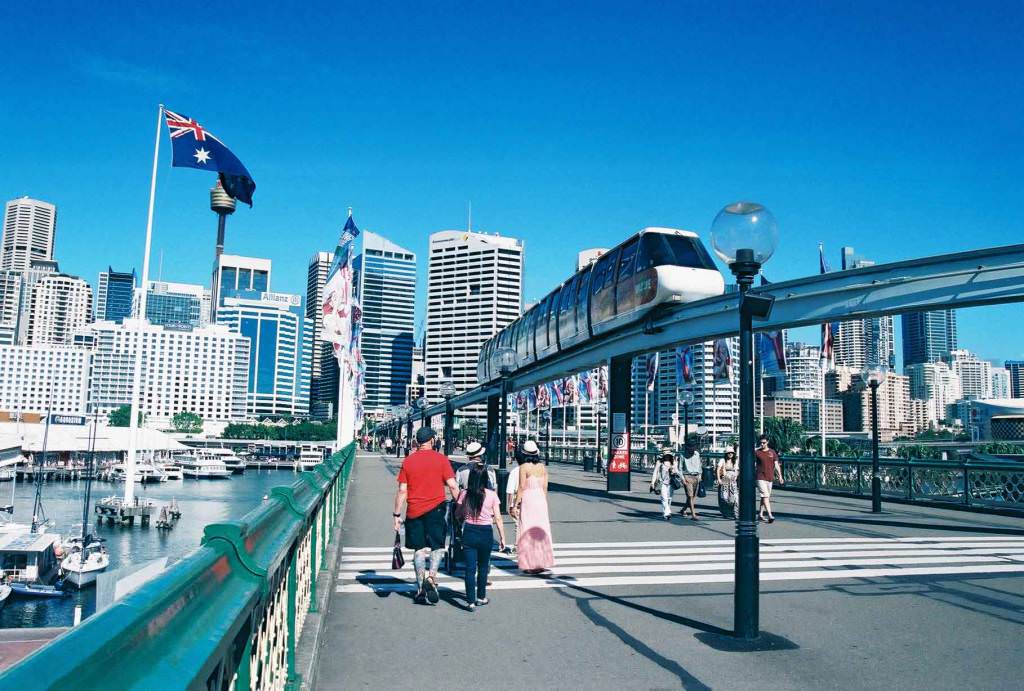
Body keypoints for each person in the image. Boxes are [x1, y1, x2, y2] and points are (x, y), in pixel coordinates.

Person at [393, 427, 459, 605]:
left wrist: (397, 514)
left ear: (417, 442)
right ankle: (432, 578)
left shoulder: (408, 461)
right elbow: (452, 486)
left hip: (414, 510)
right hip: (436, 509)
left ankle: (420, 587)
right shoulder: (441, 459)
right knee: (437, 546)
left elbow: (402, 491)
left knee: (419, 549)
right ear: (431, 440)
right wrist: (459, 504)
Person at [456, 465, 507, 611]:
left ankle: (470, 601)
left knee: (470, 568)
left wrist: (461, 518)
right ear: (485, 479)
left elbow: (458, 513)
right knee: (483, 567)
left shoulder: (464, 494)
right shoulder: (491, 495)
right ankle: (481, 597)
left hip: (470, 531)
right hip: (485, 532)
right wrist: (503, 538)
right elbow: (498, 518)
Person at [513, 440, 555, 573]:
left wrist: (515, 504)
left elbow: (521, 487)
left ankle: (530, 563)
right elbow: (545, 487)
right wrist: (543, 500)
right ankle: (542, 562)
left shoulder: (524, 467)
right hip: (540, 500)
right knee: (541, 530)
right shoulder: (543, 467)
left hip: (528, 499)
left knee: (527, 529)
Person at [755, 435, 784, 523]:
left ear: (767, 442)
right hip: (760, 477)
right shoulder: (757, 452)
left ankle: (760, 514)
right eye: (761, 443)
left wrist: (780, 476)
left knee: (765, 497)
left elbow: (776, 465)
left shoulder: (772, 452)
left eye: (764, 442)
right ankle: (770, 515)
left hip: (770, 477)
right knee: (765, 495)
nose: (762, 444)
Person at [649, 451, 679, 521]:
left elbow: (677, 471)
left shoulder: (673, 462)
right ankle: (667, 513)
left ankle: (666, 511)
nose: (667, 456)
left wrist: (673, 470)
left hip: (671, 482)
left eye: (668, 455)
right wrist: (652, 482)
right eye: (666, 455)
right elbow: (655, 472)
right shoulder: (659, 462)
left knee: (669, 498)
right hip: (661, 482)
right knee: (664, 498)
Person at [678, 442, 702, 520]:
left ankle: (684, 509)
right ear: (687, 447)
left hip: (696, 476)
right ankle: (693, 515)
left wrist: (700, 476)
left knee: (692, 496)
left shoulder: (697, 454)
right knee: (690, 496)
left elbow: (699, 465)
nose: (692, 448)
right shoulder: (682, 455)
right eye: (690, 446)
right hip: (687, 476)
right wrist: (682, 479)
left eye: (693, 446)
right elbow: (680, 468)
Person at [716, 449, 739, 519]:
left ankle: (736, 513)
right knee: (724, 497)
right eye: (729, 453)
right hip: (725, 479)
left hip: (732, 480)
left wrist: (736, 476)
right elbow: (718, 470)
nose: (730, 454)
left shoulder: (735, 461)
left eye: (731, 453)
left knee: (735, 497)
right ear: (726, 454)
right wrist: (719, 479)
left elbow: (737, 470)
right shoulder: (722, 460)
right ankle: (725, 511)